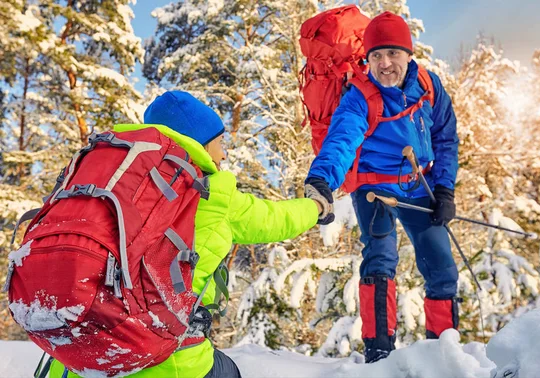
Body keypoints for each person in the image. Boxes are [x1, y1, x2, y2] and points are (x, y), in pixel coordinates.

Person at [48, 91, 331, 377]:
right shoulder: (212, 194)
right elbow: (277, 219)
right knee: (227, 371)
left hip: (76, 357)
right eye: (219, 143)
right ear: (199, 144)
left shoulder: (105, 188)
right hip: (164, 360)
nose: (223, 153)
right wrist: (316, 206)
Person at [303, 11, 460, 363]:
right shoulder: (359, 97)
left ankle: (445, 351)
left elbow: (445, 138)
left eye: (392, 54)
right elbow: (341, 139)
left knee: (442, 265)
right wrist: (321, 181)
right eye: (376, 56)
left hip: (420, 184)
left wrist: (445, 189)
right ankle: (379, 355)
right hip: (375, 188)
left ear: (409, 54)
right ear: (367, 58)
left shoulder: (430, 87)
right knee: (380, 259)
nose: (385, 63)